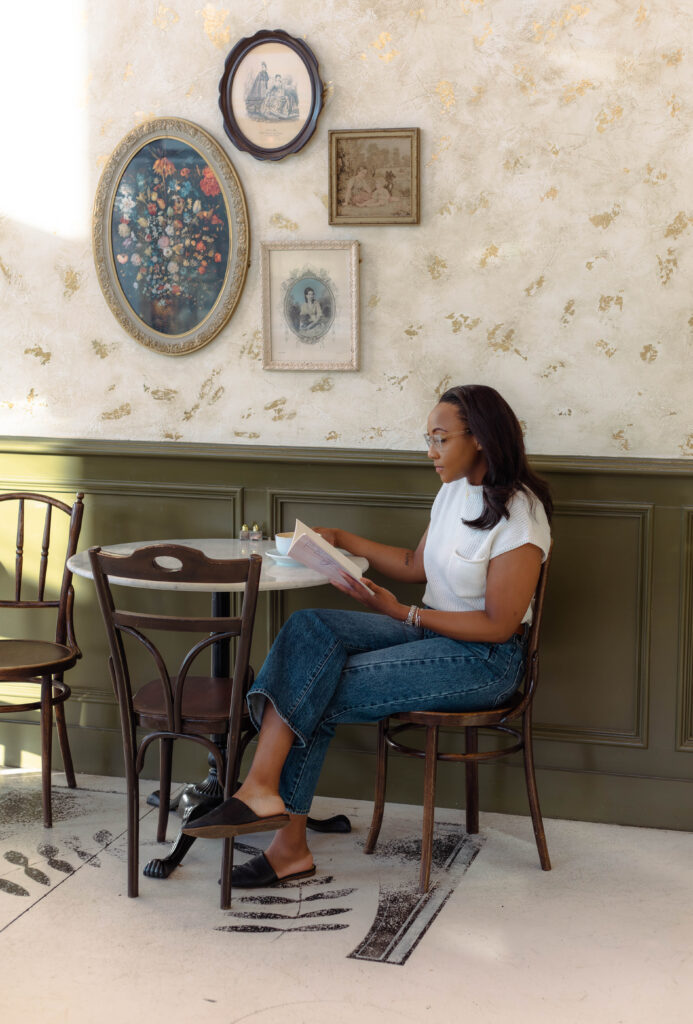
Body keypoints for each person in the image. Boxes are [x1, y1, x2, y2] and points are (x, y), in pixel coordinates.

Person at [184, 384, 553, 888]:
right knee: (309, 627)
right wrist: (337, 540)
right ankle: (263, 791)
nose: (430, 452)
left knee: (320, 686)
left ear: (482, 438)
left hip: (485, 661)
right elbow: (413, 563)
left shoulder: (521, 515)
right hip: (431, 634)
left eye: (440, 439)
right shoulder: (453, 491)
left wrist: (404, 614)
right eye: (429, 438)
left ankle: (282, 836)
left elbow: (498, 625)